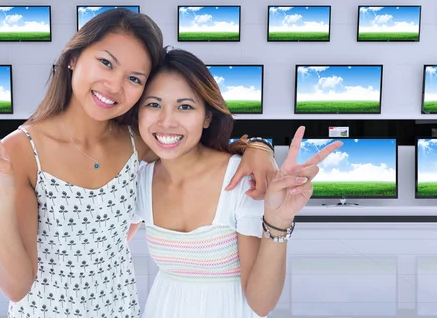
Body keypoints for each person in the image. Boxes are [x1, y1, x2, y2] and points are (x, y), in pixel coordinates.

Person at [0, 8, 278, 318]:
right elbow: (17, 286)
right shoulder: (21, 153)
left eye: (135, 79)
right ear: (74, 58)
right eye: (106, 63)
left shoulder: (137, 141)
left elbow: (193, 143)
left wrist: (258, 149)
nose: (115, 86)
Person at [130, 48, 342, 318]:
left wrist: (277, 221)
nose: (167, 121)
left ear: (207, 116)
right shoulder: (141, 180)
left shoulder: (241, 181)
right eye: (153, 104)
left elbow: (261, 304)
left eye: (185, 106)